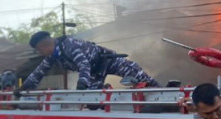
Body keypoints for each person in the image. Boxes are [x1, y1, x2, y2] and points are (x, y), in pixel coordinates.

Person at [18, 31, 160, 93]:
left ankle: (162, 96)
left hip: (108, 61)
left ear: (43, 46)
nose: (40, 53)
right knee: (93, 101)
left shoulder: (69, 45)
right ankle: (108, 90)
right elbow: (38, 73)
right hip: (94, 72)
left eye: (39, 50)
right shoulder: (52, 57)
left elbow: (83, 64)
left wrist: (82, 82)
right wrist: (23, 88)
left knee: (141, 77)